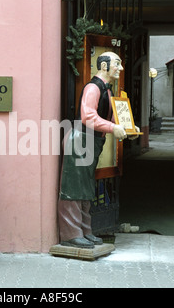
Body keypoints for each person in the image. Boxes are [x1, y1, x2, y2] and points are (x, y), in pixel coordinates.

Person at [58, 51, 139, 249]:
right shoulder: (93, 88)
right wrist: (114, 128)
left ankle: (85, 231)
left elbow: (108, 117)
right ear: (104, 66)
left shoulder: (107, 90)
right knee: (73, 189)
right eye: (117, 64)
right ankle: (70, 234)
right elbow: (88, 117)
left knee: (85, 189)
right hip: (80, 140)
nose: (120, 68)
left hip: (92, 141)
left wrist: (128, 128)